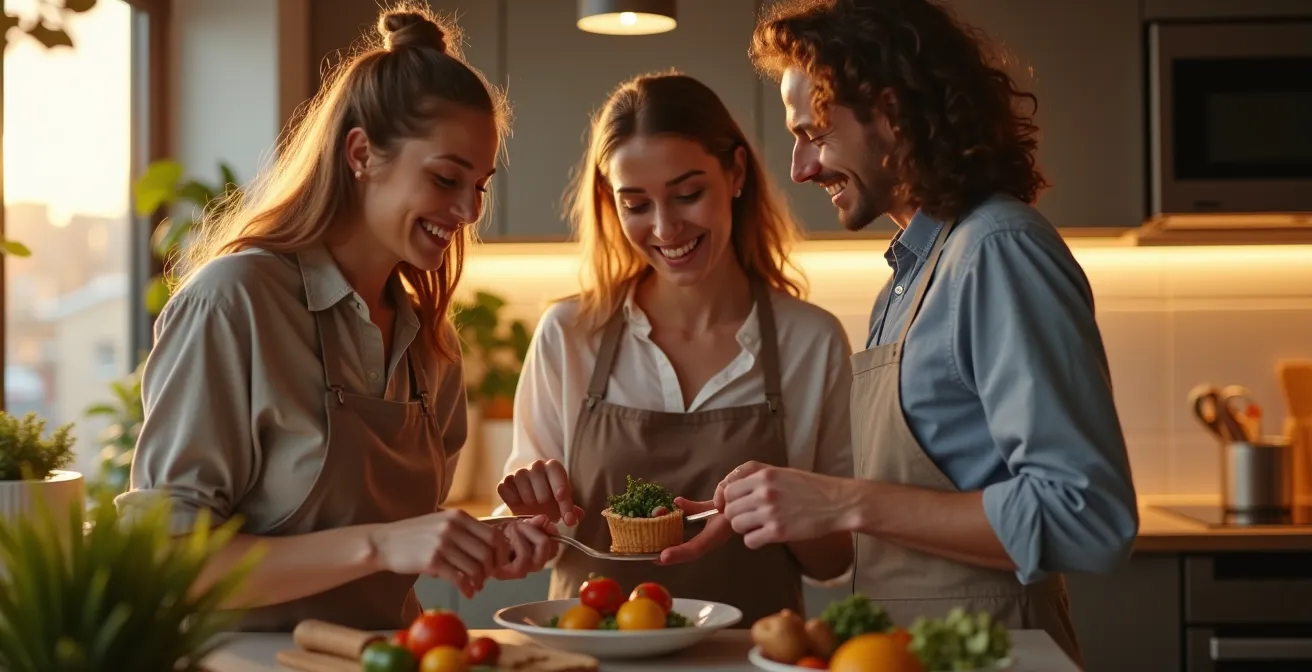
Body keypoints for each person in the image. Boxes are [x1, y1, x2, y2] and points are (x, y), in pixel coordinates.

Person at [708, 0, 1141, 663]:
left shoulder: (997, 252)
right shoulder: (912, 277)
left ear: (891, 114)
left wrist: (847, 500)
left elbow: (1088, 518)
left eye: (815, 132)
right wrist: (775, 508)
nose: (800, 169)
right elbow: (909, 517)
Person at [114, 4, 556, 632]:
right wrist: (381, 544)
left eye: (479, 185)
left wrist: (481, 542)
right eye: (446, 178)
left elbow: (391, 540)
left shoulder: (432, 343)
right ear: (361, 153)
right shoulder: (236, 300)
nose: (466, 210)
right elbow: (166, 557)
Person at [495, 72, 855, 624]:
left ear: (735, 173)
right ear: (609, 202)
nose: (666, 227)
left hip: (750, 660)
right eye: (636, 204)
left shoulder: (811, 340)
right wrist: (523, 524)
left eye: (688, 194)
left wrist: (784, 508)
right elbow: (522, 527)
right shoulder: (569, 334)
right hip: (592, 659)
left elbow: (835, 562)